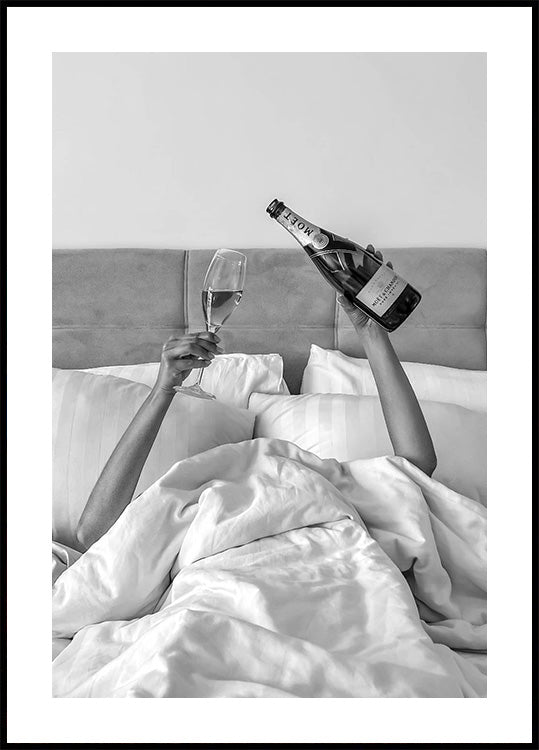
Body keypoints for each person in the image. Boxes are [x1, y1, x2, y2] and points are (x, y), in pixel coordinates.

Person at [75, 248, 437, 552]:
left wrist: (371, 333)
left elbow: (415, 470)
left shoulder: (329, 486)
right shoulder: (193, 500)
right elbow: (94, 533)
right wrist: (163, 389)